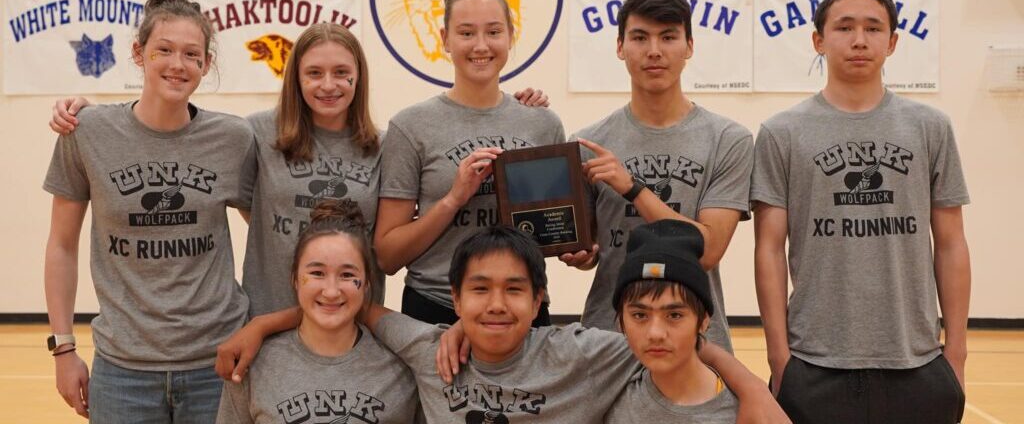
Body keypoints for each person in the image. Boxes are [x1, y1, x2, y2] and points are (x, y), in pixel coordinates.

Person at [48, 23, 548, 317]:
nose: (328, 85)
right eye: (314, 73)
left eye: (341, 73)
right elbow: (177, 142)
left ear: (358, 79)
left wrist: (519, 105)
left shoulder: (384, 144)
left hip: (352, 321)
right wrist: (93, 114)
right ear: (296, 78)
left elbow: (397, 235)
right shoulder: (254, 135)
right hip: (270, 320)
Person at [223, 226, 789, 423]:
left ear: (541, 299)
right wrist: (264, 325)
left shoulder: (584, 352)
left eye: (514, 290)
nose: (497, 304)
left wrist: (747, 385)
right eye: (480, 290)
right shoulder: (426, 348)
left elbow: (671, 335)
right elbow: (353, 301)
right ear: (454, 298)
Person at [751, 0, 970, 423]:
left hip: (918, 358)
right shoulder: (782, 132)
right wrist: (779, 356)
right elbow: (769, 249)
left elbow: (950, 243)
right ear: (818, 40)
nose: (858, 40)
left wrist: (958, 353)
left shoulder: (930, 127)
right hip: (813, 360)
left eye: (873, 29)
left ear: (892, 43)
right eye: (844, 27)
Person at [43, 0, 254, 422]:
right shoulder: (86, 133)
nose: (178, 64)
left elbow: (271, 234)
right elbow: (61, 246)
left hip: (215, 361)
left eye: (192, 54)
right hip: (123, 369)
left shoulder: (233, 139)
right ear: (139, 53)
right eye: (164, 50)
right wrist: (63, 348)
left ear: (205, 65)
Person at [373, 0, 595, 326]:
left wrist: (581, 252)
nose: (481, 45)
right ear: (445, 38)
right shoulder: (410, 126)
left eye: (493, 32)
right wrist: (453, 199)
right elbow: (387, 256)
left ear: (511, 36)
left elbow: (565, 236)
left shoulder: (542, 122)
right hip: (435, 308)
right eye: (466, 33)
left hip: (521, 308)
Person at [573, 0, 752, 354]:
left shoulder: (728, 139)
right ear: (620, 46)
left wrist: (633, 189)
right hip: (606, 341)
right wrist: (580, 253)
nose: (654, 50)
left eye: (668, 37)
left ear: (689, 46)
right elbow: (589, 250)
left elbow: (708, 248)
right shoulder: (587, 143)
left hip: (695, 342)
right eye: (640, 37)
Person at [215, 199, 420, 424]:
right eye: (317, 273)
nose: (331, 291)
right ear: (295, 279)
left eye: (347, 275)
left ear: (367, 283)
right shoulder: (252, 364)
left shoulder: (402, 369)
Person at [604, 219, 739, 423]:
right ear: (621, 320)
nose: (656, 333)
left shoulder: (742, 412)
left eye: (674, 315)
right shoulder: (608, 394)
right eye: (640, 315)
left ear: (703, 321)